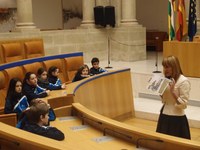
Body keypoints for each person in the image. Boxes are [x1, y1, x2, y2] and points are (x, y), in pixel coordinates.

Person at [156, 55, 191, 139]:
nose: (165, 70)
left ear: (174, 67)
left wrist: (173, 92)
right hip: (164, 115)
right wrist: (159, 90)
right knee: (162, 143)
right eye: (164, 67)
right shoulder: (166, 79)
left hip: (177, 118)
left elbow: (184, 105)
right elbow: (164, 99)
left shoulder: (184, 81)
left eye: (167, 67)